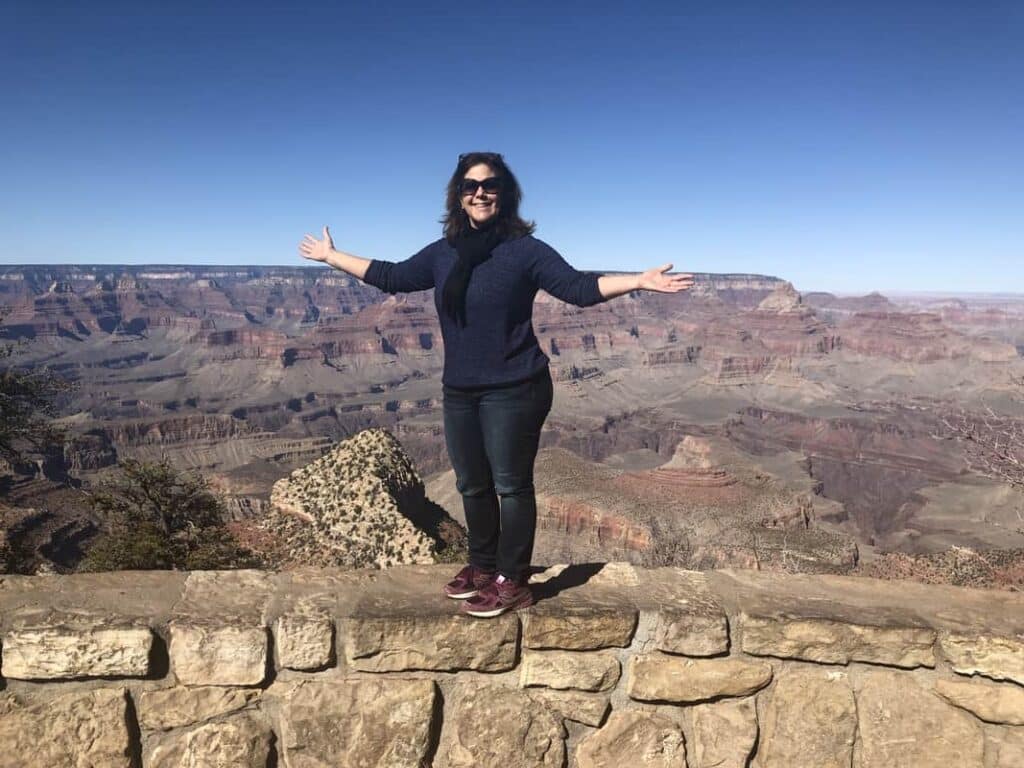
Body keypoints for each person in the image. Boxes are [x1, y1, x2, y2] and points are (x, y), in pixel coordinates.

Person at [299, 151, 694, 618]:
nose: (480, 193)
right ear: (458, 194)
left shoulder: (525, 251)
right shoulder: (444, 250)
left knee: (510, 485)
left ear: (505, 194)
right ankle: (483, 566)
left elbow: (577, 288)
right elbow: (392, 277)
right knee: (471, 485)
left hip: (516, 387)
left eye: (489, 186)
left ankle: (514, 579)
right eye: (470, 186)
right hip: (461, 389)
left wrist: (638, 281)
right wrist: (330, 256)